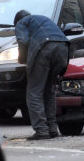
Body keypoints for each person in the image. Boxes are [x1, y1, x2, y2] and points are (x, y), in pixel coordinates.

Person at [14, 10, 69, 140]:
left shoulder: (21, 23)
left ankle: (41, 130)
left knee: (34, 92)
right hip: (63, 48)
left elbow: (23, 41)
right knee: (49, 90)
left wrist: (23, 59)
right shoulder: (42, 18)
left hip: (44, 48)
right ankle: (52, 128)